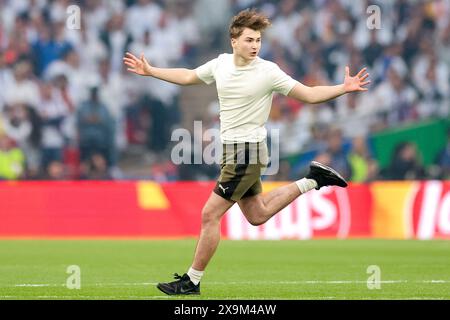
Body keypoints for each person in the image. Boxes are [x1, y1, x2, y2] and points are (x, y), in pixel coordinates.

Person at [123, 9, 370, 295]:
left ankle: (191, 281)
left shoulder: (268, 71)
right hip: (231, 153)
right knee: (257, 214)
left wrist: (344, 87)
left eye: (258, 40)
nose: (255, 45)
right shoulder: (220, 64)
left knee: (209, 215)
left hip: (247, 153)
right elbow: (189, 76)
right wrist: (152, 71)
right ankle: (313, 179)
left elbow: (308, 94)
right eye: (250, 39)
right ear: (234, 41)